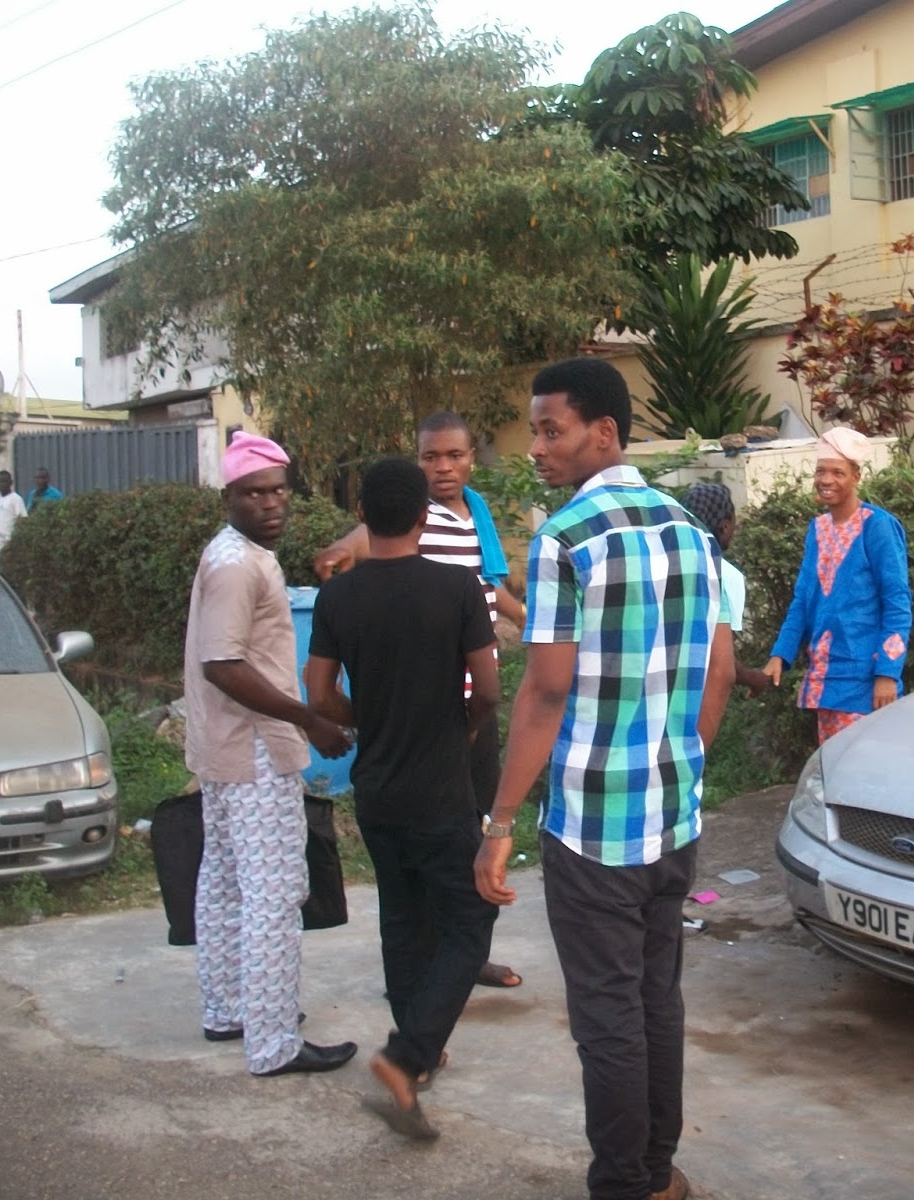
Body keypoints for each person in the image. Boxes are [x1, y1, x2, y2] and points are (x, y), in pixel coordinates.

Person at [474, 358, 734, 1200]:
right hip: (673, 815)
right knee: (656, 999)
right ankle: (655, 1174)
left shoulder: (567, 538)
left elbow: (546, 691)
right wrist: (680, 759)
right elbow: (720, 671)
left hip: (593, 825)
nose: (537, 448)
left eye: (552, 431)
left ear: (605, 432)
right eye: (536, 431)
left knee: (608, 1017)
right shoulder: (693, 532)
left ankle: (622, 1183)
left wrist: (500, 822)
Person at [304, 456, 501, 1140]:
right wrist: (464, 724)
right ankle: (408, 1053)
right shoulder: (456, 588)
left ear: (362, 515)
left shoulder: (338, 599)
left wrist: (365, 717)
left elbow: (319, 693)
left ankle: (417, 1048)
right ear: (423, 515)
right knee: (470, 920)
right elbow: (489, 687)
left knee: (402, 917)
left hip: (379, 789)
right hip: (442, 788)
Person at [313, 411, 525, 991]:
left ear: (471, 458)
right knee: (434, 842)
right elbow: (361, 540)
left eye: (454, 455)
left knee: (478, 829)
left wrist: (528, 619)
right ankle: (432, 966)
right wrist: (340, 550)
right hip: (432, 711)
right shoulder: (413, 515)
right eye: (431, 457)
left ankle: (466, 955)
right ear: (418, 462)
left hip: (476, 704)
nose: (443, 467)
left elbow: (488, 586)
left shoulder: (475, 512)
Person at [183, 430, 357, 1078]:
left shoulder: (237, 553)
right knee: (274, 895)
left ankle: (231, 1010)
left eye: (278, 491)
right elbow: (223, 664)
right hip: (253, 749)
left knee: (225, 883)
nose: (271, 503)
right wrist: (309, 720)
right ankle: (273, 1041)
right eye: (254, 493)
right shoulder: (238, 565)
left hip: (227, 746)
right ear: (228, 497)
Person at [762, 427, 913, 743]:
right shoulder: (817, 529)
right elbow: (802, 601)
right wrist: (780, 655)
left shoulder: (878, 527)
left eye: (837, 472)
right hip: (827, 683)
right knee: (832, 767)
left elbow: (897, 605)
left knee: (864, 767)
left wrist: (887, 673)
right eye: (821, 471)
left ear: (857, 476)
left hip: (866, 685)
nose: (826, 479)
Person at [679, 481, 771, 694]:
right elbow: (722, 663)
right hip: (698, 696)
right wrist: (754, 679)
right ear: (725, 526)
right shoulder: (726, 576)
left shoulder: (666, 562)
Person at [0, 470, 27, 556]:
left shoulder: (16, 499)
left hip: (11, 545)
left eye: (4, 482)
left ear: (11, 483)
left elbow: (23, 520)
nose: (1, 485)